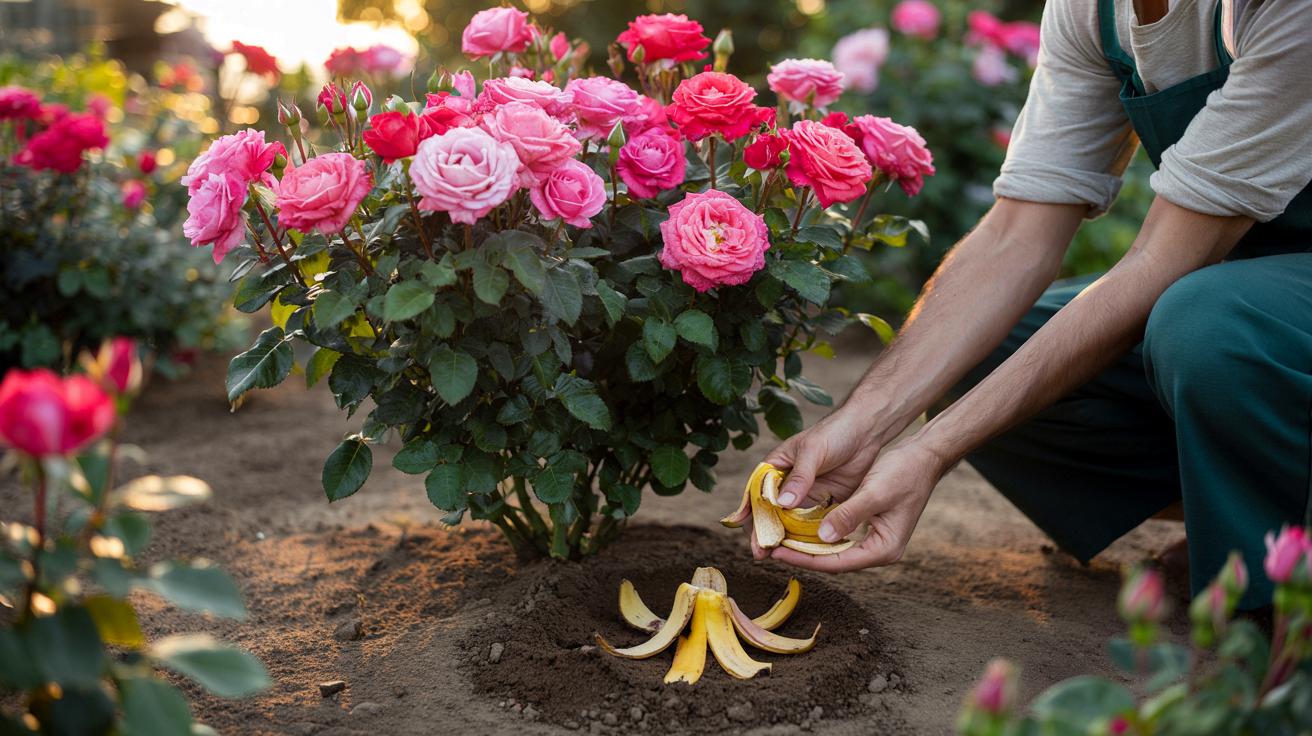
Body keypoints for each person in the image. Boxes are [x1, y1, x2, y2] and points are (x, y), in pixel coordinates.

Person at [755, 0, 1312, 611]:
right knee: (979, 351)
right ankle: (1248, 515)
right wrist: (864, 425)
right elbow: (1017, 234)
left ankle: (1271, 588)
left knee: (1207, 325)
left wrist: (932, 450)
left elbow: (1168, 260)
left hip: (1245, 290)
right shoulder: (1091, 10)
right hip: (1247, 284)